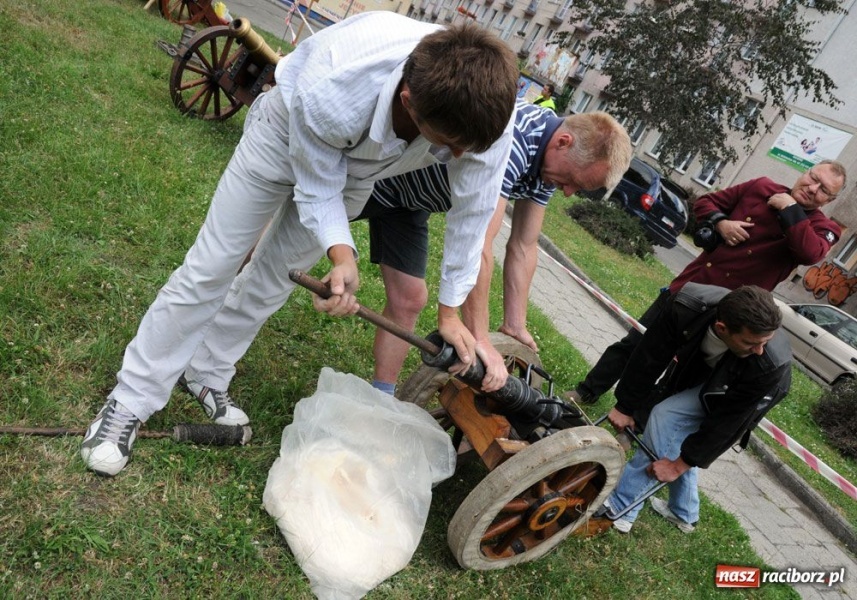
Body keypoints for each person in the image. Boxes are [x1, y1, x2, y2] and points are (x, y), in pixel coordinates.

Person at [80, 12, 520, 477]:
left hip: (361, 174)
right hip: (285, 130)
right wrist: (341, 251)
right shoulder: (335, 85)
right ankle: (130, 398)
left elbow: (472, 218)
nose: (454, 158)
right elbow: (316, 184)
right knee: (213, 266)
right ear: (409, 101)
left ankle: (207, 369)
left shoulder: (486, 116)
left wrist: (450, 313)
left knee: (273, 280)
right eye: (448, 144)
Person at [360, 101, 632, 395]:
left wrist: (514, 325)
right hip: (376, 178)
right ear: (564, 143)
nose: (567, 192)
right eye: (573, 182)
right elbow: (478, 244)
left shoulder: (548, 163)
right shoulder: (514, 140)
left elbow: (524, 246)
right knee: (308, 232)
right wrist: (480, 339)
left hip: (410, 204)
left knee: (410, 299)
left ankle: (379, 397)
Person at [565, 160, 846, 405]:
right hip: (689, 289)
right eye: (813, 178)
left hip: (725, 312)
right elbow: (705, 202)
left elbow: (809, 252)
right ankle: (586, 391)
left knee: (681, 373)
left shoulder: (823, 228)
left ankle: (634, 421)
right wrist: (721, 222)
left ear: (829, 201)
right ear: (805, 172)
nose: (812, 188)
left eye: (823, 190)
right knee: (635, 343)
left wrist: (790, 208)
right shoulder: (761, 186)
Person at [598, 284, 791, 533]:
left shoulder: (767, 363)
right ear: (722, 328)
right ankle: (684, 513)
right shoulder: (684, 308)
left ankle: (620, 509)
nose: (760, 349)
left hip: (746, 386)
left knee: (665, 417)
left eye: (766, 341)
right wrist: (625, 406)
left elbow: (728, 422)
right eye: (751, 342)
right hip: (709, 369)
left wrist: (679, 466)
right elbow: (650, 355)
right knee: (674, 433)